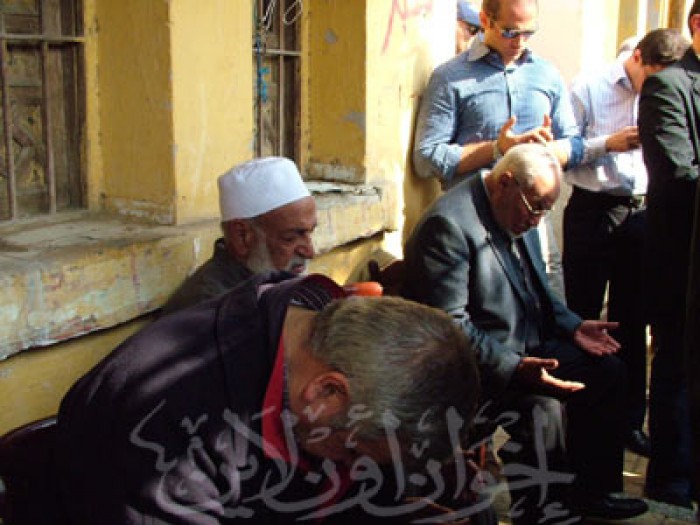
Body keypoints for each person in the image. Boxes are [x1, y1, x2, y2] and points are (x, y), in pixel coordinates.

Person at [54, 271, 486, 524]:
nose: (354, 467)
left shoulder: (313, 329)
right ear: (327, 391)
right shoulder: (170, 427)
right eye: (353, 453)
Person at [403, 143, 648, 524]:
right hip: (475, 369)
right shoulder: (449, 226)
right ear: (505, 182)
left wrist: (574, 326)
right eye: (536, 208)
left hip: (525, 348)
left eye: (546, 209)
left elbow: (538, 290)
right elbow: (451, 328)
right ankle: (542, 514)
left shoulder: (518, 209)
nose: (538, 220)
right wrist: (516, 368)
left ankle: (593, 493)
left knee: (607, 371)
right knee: (541, 406)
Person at [563, 28, 688, 459]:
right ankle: (576, 416)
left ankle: (628, 422)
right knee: (582, 314)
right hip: (593, 209)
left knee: (632, 321)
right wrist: (608, 144)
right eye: (652, 79)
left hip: (641, 212)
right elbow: (563, 149)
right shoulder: (589, 86)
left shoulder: (672, 91)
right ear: (637, 58)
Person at [413, 0, 586, 300]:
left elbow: (574, 143)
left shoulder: (546, 74)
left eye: (528, 33)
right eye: (510, 32)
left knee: (550, 308)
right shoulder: (451, 77)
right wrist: (497, 149)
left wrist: (547, 152)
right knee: (493, 316)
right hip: (477, 225)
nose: (519, 42)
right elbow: (426, 158)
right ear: (485, 20)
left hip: (534, 221)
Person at [637, 1, 700, 510]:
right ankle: (670, 478)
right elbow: (679, 174)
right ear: (697, 26)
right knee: (678, 363)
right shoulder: (668, 87)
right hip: (682, 259)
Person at [161, 156, 317, 315]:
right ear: (241, 236)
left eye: (310, 233)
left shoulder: (272, 285)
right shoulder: (212, 309)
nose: (310, 252)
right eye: (290, 238)